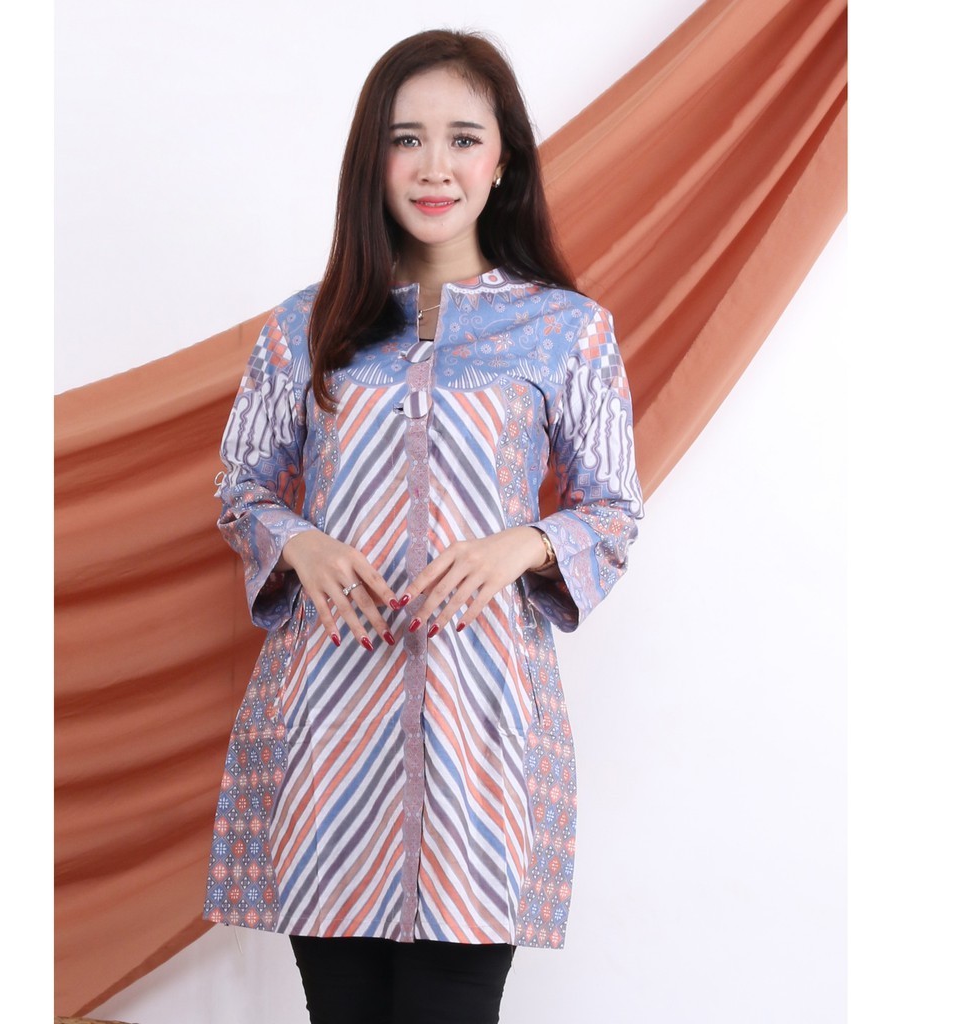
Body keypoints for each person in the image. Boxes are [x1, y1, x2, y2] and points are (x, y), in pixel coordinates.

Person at [204, 28, 644, 1024]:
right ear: (374, 159)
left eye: (462, 138)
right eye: (407, 139)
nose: (435, 165)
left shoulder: (566, 330)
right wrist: (299, 540)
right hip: (329, 721)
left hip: (482, 728)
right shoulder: (303, 328)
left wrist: (523, 542)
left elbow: (613, 508)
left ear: (502, 162)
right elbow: (241, 486)